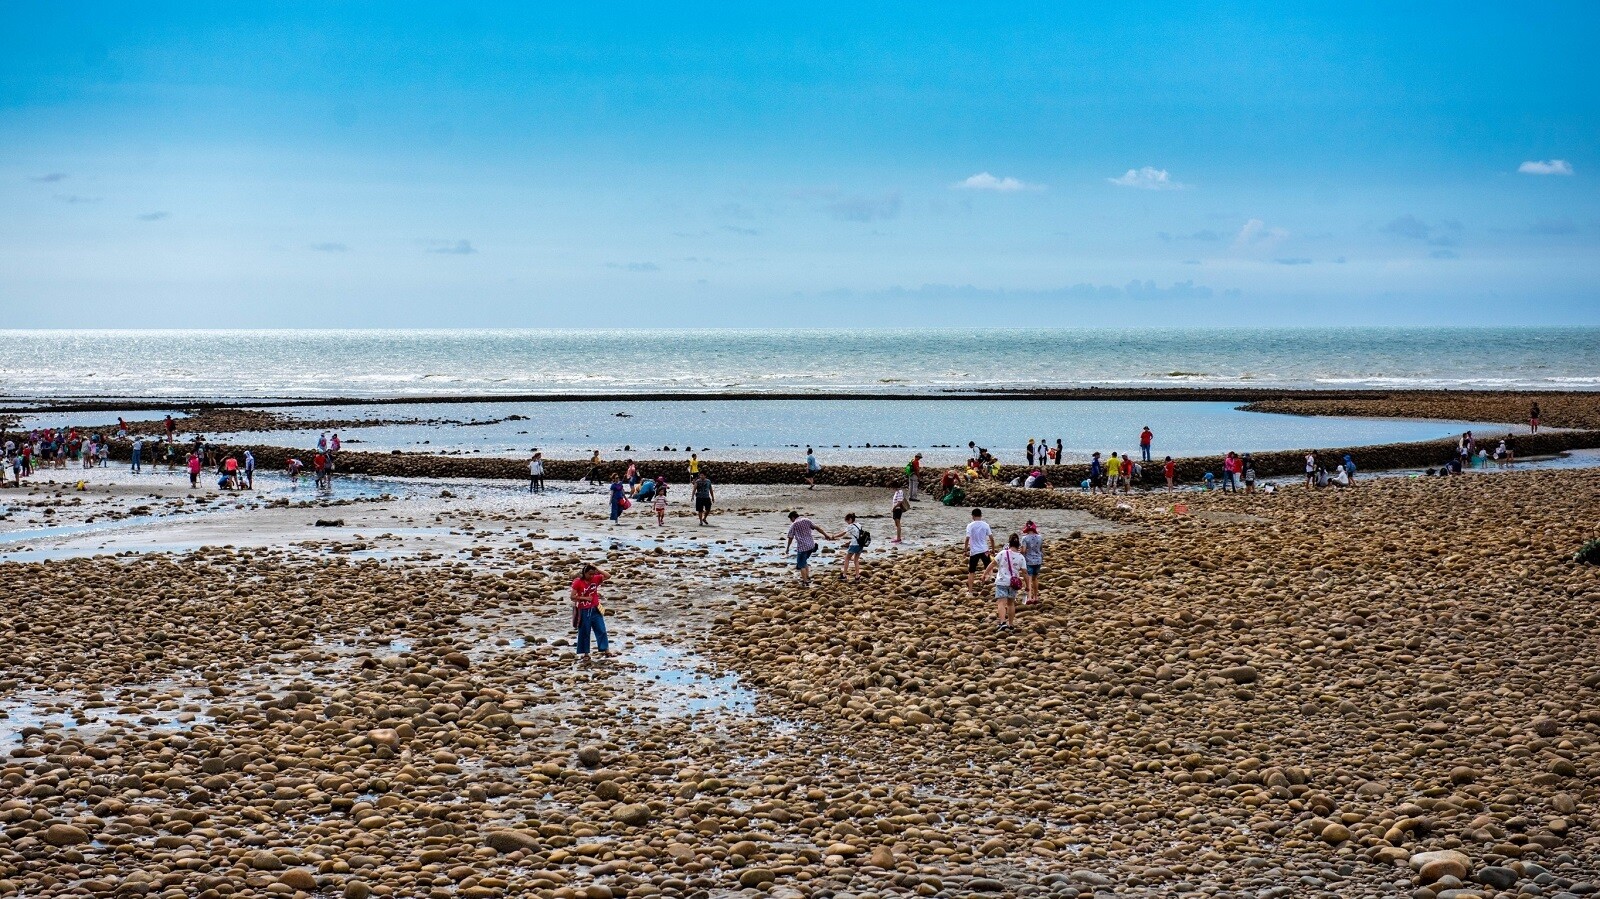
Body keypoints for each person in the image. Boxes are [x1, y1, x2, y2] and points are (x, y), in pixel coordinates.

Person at [569, 563, 611, 663]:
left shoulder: (596, 579)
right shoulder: (578, 582)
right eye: (590, 574)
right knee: (584, 632)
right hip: (584, 610)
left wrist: (597, 569)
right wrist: (585, 598)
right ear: (585, 573)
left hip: (595, 608)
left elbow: (608, 576)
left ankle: (606, 650)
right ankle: (586, 653)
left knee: (601, 629)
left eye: (593, 574)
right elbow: (572, 597)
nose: (591, 576)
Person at [985, 533, 1026, 631]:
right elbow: (1025, 573)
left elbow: (992, 564)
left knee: (1001, 603)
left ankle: (1003, 622)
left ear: (1009, 543)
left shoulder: (1003, 553)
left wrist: (984, 574)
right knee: (1011, 604)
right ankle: (1011, 624)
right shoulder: (1021, 557)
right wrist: (1028, 586)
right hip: (1013, 583)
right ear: (1018, 545)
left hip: (1002, 582)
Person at [785, 510, 833, 586]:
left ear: (793, 517)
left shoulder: (794, 525)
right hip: (811, 546)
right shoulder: (806, 520)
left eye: (791, 519)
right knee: (804, 561)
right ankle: (807, 576)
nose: (791, 521)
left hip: (802, 548)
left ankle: (805, 581)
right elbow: (817, 528)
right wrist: (825, 535)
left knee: (801, 565)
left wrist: (787, 548)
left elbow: (790, 537)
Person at [964, 508, 995, 596]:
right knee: (989, 565)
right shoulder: (985, 525)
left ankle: (970, 592)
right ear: (981, 515)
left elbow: (967, 539)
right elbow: (991, 539)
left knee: (971, 572)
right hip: (984, 549)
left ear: (973, 516)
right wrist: (992, 550)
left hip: (974, 551)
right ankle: (991, 576)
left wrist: (965, 550)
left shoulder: (970, 525)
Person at [1019, 521, 1043, 605]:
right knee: (1035, 578)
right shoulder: (1040, 537)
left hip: (1029, 560)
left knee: (1028, 579)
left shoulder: (1025, 538)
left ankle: (1029, 597)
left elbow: (1024, 550)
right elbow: (1040, 549)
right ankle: (1036, 596)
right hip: (1038, 560)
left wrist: (1020, 552)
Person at [838, 512, 866, 581]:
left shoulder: (850, 526)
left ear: (850, 519)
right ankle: (857, 576)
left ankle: (844, 575)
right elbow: (858, 535)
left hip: (854, 544)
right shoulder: (859, 525)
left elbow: (842, 534)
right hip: (860, 544)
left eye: (847, 521)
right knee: (856, 560)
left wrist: (833, 536)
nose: (847, 523)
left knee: (847, 559)